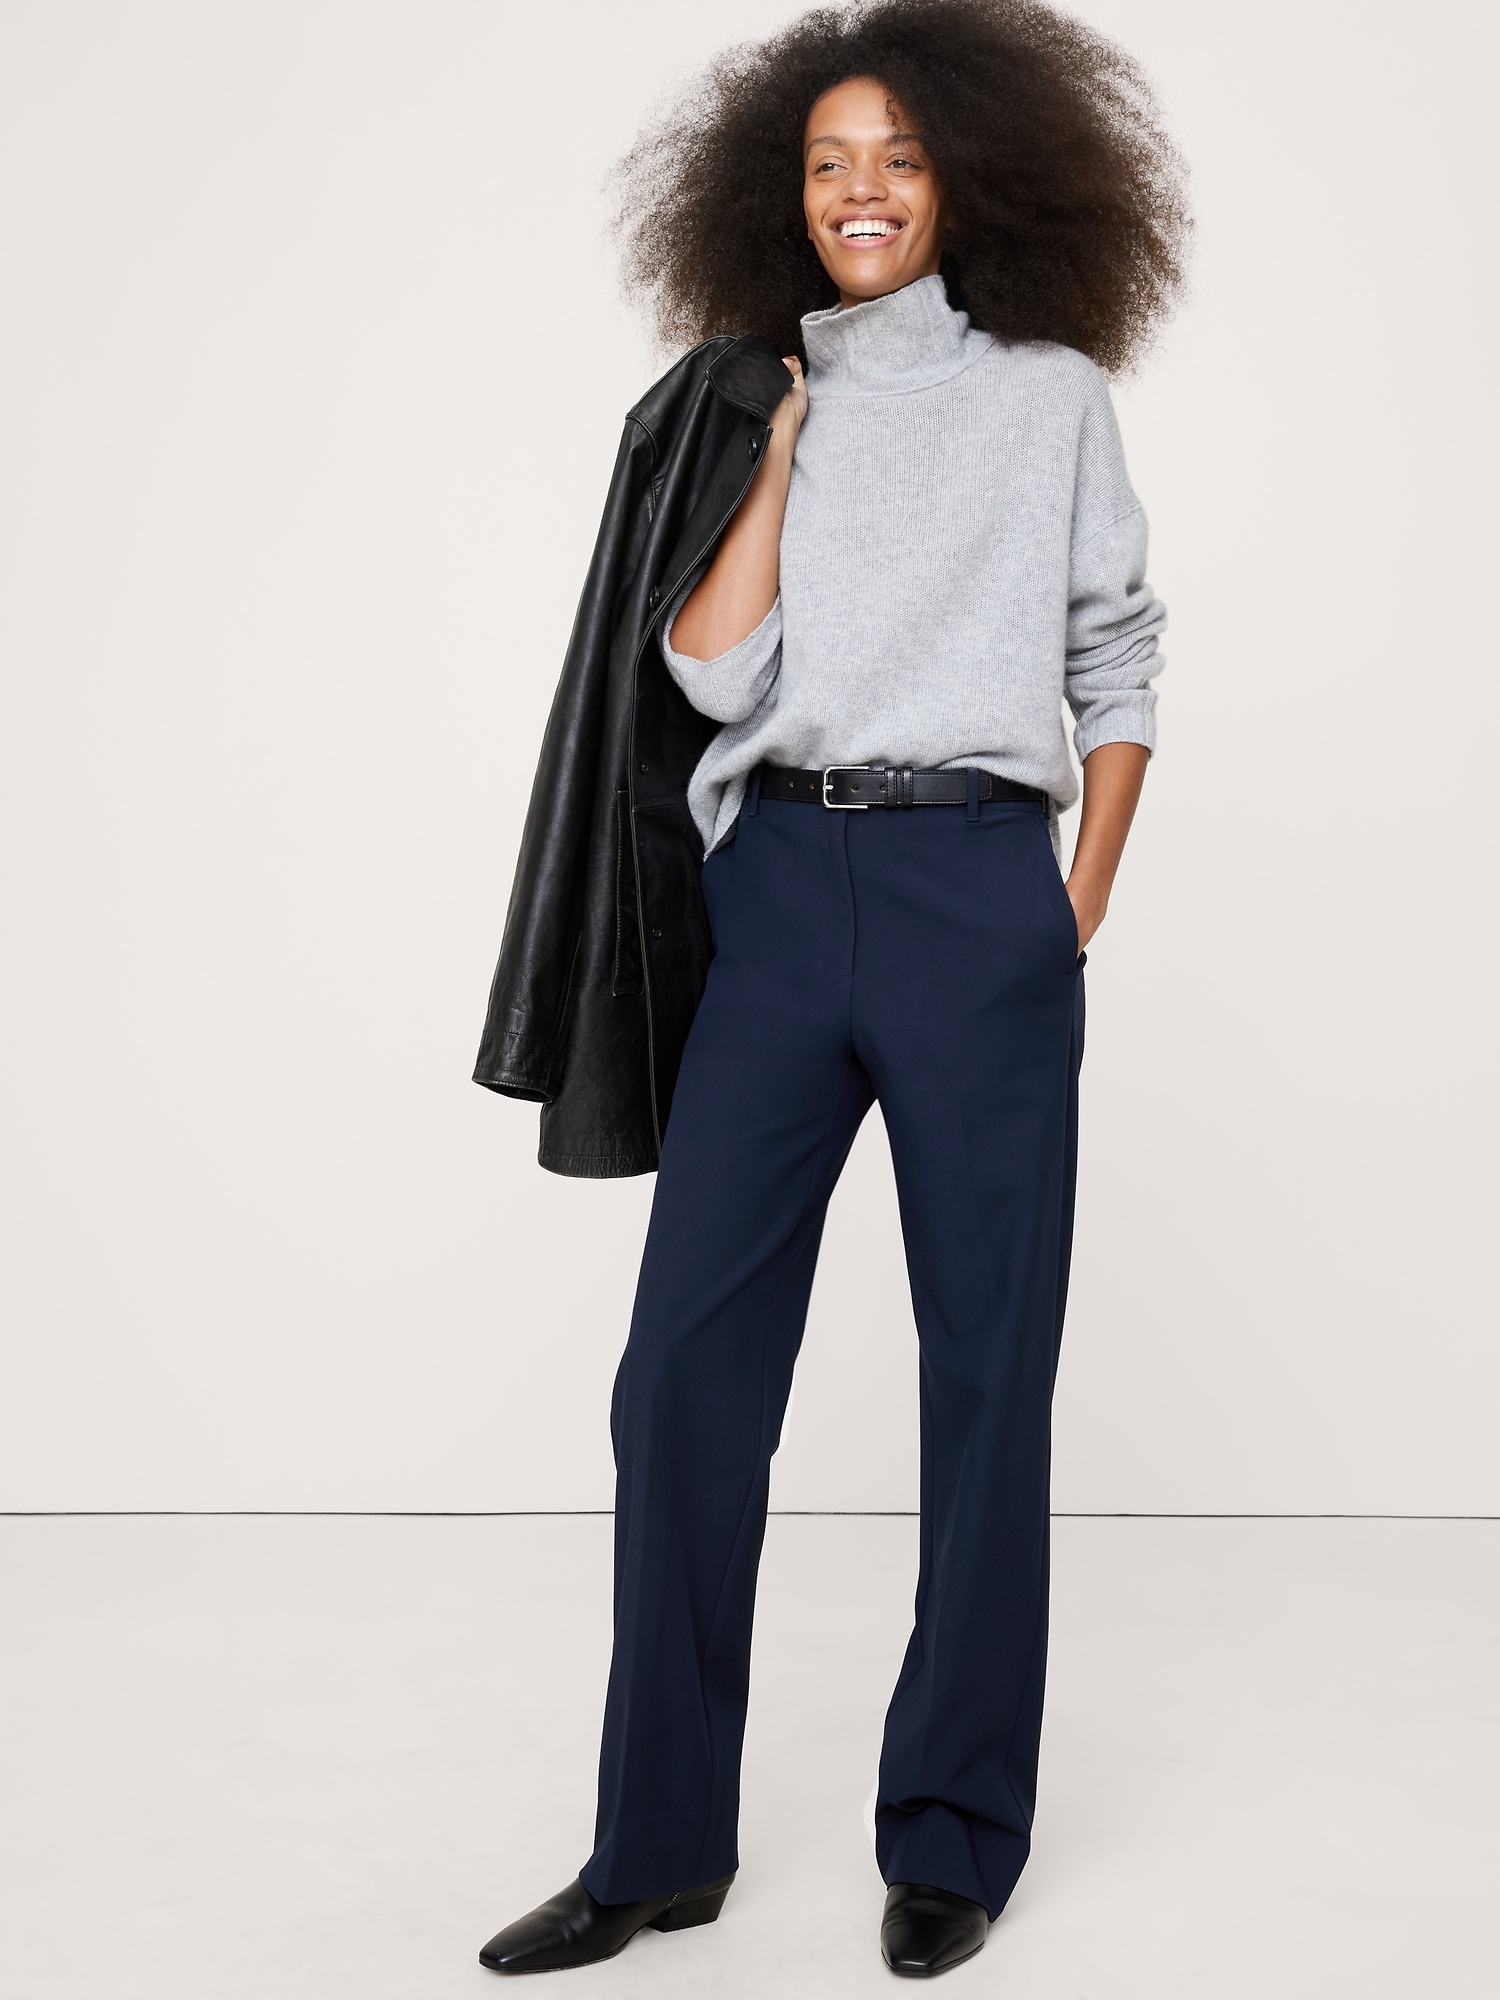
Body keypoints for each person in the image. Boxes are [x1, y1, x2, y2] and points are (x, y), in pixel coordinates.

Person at [473, 0, 1187, 1977]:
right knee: (681, 1377)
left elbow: (1118, 656)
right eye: (826, 164)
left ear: (972, 174)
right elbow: (711, 672)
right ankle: (655, 1846)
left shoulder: (1050, 396)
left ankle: (952, 1832)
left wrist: (1074, 901)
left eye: (898, 157)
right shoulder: (747, 394)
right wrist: (781, 448)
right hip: (776, 891)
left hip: (977, 890)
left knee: (988, 1373)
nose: (860, 190)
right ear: (779, 196)